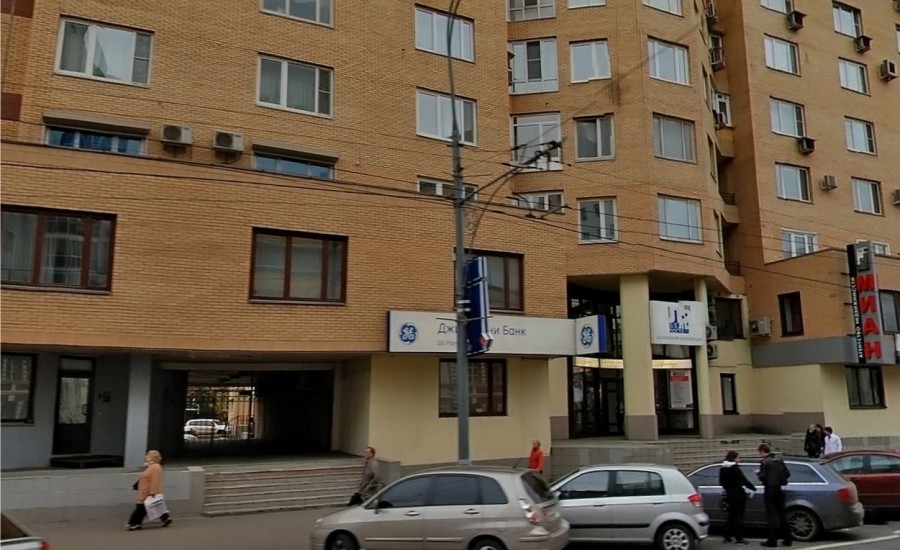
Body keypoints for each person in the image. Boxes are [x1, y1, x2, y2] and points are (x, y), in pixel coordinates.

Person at [127, 450, 172, 531]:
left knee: (140, 509)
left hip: (147, 492)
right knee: (152, 507)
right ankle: (165, 518)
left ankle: (134, 523)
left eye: (148, 456)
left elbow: (155, 480)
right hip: (144, 491)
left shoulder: (155, 467)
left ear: (152, 457)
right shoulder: (151, 466)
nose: (146, 457)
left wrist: (152, 492)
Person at [757, 444, 792, 548]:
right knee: (782, 515)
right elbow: (787, 473)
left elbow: (763, 477)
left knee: (772, 517)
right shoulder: (779, 460)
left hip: (769, 490)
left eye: (759, 452)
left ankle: (772, 541)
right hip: (779, 489)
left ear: (762, 451)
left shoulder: (764, 462)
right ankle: (788, 539)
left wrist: (758, 474)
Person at [719, 450, 756, 545]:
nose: (739, 459)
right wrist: (753, 488)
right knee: (739, 517)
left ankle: (727, 536)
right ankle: (739, 538)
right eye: (738, 458)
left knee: (731, 516)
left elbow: (721, 482)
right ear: (733, 458)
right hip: (738, 494)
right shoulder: (735, 469)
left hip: (729, 494)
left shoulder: (723, 468)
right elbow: (744, 480)